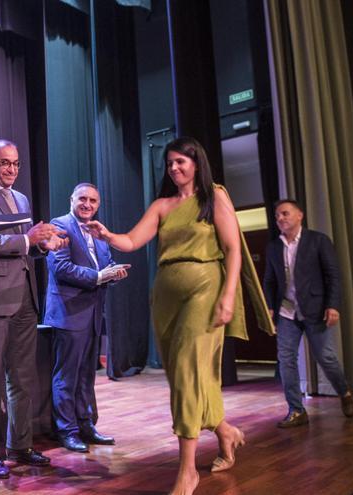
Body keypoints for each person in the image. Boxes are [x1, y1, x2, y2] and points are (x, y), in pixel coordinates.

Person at [85, 136, 273, 495]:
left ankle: (187, 471)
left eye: (180, 162)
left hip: (206, 290)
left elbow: (233, 250)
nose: (174, 168)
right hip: (166, 298)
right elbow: (132, 240)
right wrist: (107, 235)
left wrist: (229, 295)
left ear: (196, 164)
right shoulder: (162, 205)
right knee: (187, 377)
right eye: (170, 163)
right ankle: (225, 432)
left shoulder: (213, 197)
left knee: (188, 373)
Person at [0, 139, 67, 479]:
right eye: (5, 163)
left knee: (22, 378)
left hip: (24, 297)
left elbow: (26, 247)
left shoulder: (20, 198)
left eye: (16, 164)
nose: (11, 170)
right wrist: (27, 240)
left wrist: (44, 245)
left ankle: (20, 445)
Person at [44, 183, 126, 453]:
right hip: (68, 314)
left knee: (86, 376)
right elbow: (61, 267)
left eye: (93, 200)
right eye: (82, 199)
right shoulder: (60, 225)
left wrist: (113, 274)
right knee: (66, 377)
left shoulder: (98, 231)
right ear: (72, 199)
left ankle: (86, 425)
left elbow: (105, 265)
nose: (87, 204)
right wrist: (100, 276)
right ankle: (66, 431)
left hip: (92, 315)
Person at [263, 199, 353, 428]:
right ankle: (296, 409)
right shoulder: (274, 247)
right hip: (287, 311)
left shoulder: (318, 241)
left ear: (299, 215)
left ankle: (344, 392)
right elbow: (270, 280)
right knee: (286, 360)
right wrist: (268, 305)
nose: (280, 219)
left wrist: (332, 305)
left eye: (285, 214)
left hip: (315, 309)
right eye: (277, 216)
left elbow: (333, 275)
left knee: (326, 357)